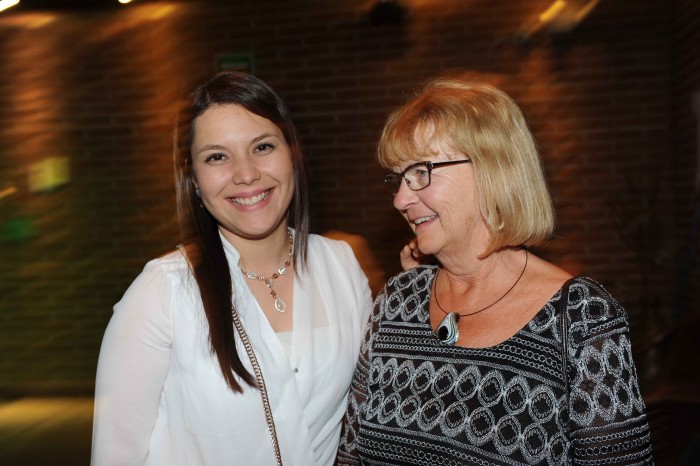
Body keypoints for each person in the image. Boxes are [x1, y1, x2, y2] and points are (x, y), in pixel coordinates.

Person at [337, 77, 653, 465]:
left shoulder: (579, 318)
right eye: (399, 177)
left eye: (421, 171)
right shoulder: (395, 302)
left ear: (493, 170)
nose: (401, 199)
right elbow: (351, 456)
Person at [91, 71, 373, 466]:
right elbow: (115, 456)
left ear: (292, 154)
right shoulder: (163, 291)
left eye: (262, 146)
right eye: (217, 156)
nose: (245, 174)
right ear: (194, 179)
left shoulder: (340, 265)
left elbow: (368, 414)